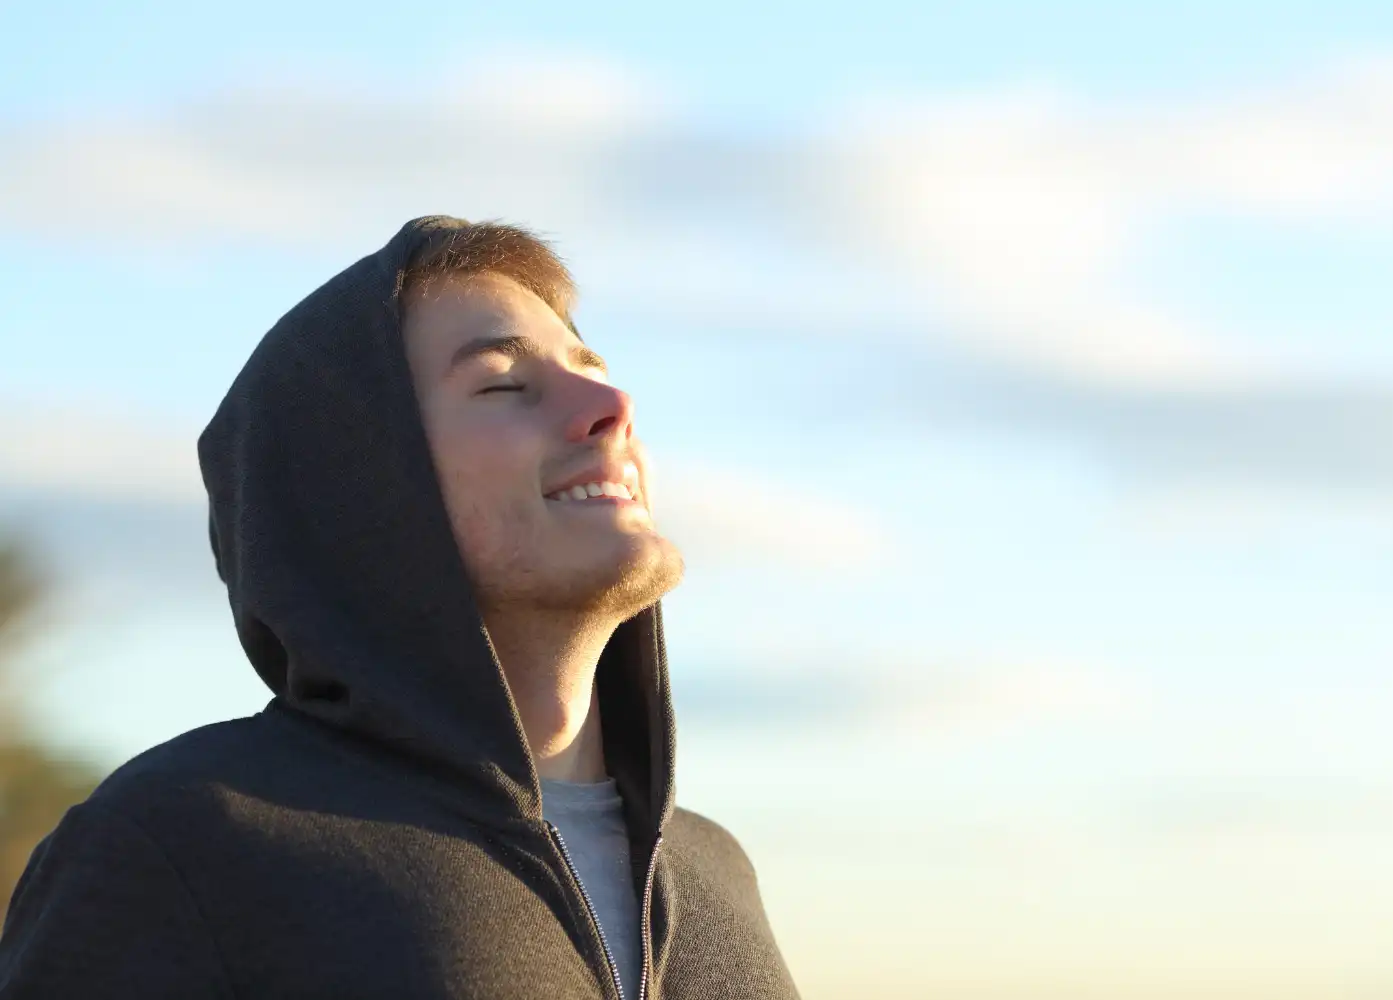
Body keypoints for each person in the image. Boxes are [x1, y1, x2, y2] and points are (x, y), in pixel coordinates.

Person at [0, 217, 799, 999]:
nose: (613, 404)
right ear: (358, 493)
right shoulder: (183, 842)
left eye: (590, 367)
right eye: (506, 385)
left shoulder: (712, 870)